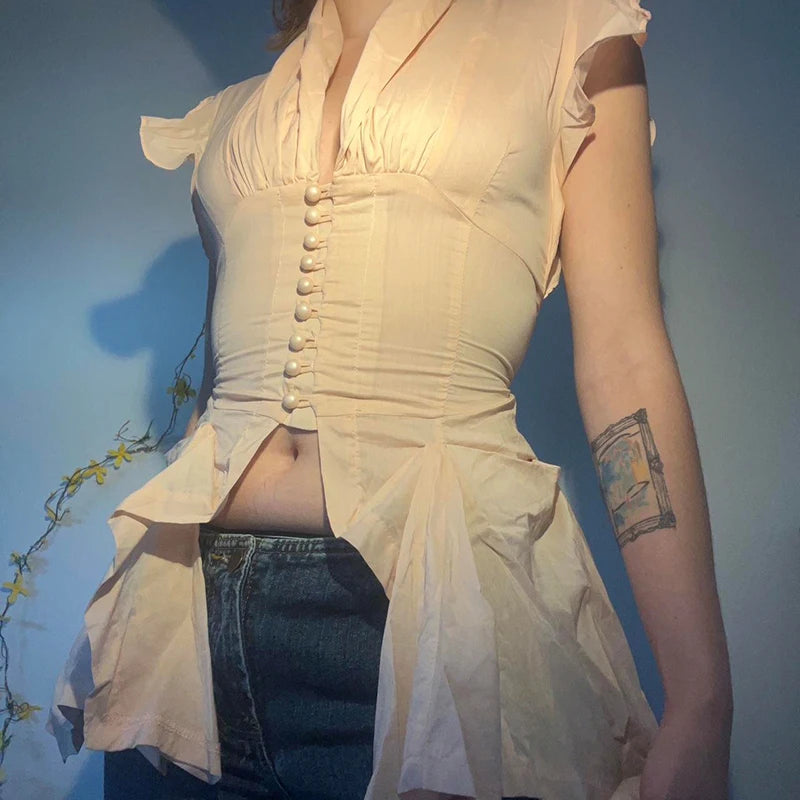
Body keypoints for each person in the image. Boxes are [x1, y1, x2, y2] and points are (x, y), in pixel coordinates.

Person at [48, 0, 733, 798]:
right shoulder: (237, 113)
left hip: (429, 614)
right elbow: (222, 386)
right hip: (187, 623)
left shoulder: (571, 40)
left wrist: (701, 699)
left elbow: (623, 356)